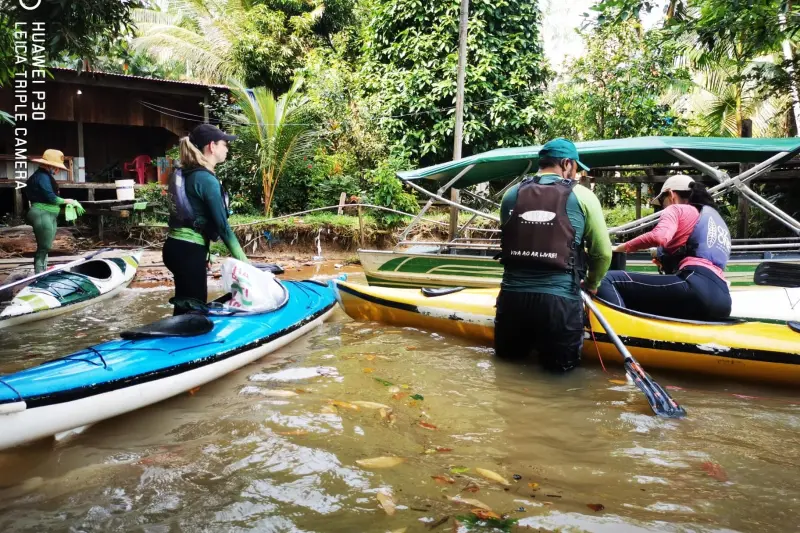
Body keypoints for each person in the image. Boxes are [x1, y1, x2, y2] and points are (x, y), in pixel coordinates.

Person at [496, 137, 612, 372]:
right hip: (558, 303)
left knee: (507, 370)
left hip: (512, 299)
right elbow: (602, 254)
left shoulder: (511, 194)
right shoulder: (583, 196)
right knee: (560, 376)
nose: (576, 173)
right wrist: (592, 283)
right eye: (576, 168)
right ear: (567, 163)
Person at [596, 174, 732, 321]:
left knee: (605, 279)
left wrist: (620, 248)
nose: (662, 206)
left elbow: (659, 236)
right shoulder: (714, 220)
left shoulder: (677, 209)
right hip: (723, 299)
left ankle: (620, 334)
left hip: (695, 286)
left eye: (662, 200)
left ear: (671, 194)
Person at [164, 124, 249, 315]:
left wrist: (207, 252)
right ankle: (185, 343)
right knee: (194, 311)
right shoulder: (205, 179)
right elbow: (222, 227)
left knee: (185, 307)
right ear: (212, 146)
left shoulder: (189, 172)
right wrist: (245, 263)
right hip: (188, 252)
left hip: (176, 247)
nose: (227, 148)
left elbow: (196, 217)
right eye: (224, 144)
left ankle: (174, 339)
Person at [26, 149, 80, 273]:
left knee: (46, 247)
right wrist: (68, 201)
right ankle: (39, 274)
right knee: (44, 247)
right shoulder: (42, 177)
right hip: (41, 212)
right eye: (56, 168)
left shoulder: (44, 176)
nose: (58, 170)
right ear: (49, 165)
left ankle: (42, 271)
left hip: (48, 213)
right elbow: (51, 197)